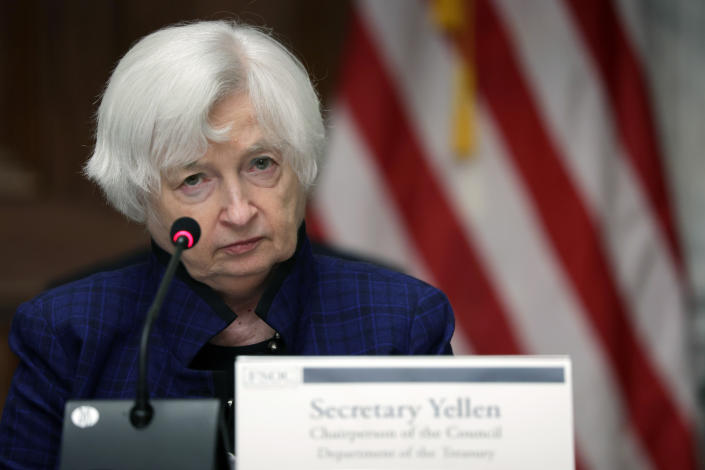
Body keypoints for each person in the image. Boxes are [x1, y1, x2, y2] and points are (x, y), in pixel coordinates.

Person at [0, 20, 455, 468]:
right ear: (140, 193)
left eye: (261, 164)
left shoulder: (400, 322)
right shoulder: (67, 333)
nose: (239, 212)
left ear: (302, 164)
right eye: (194, 179)